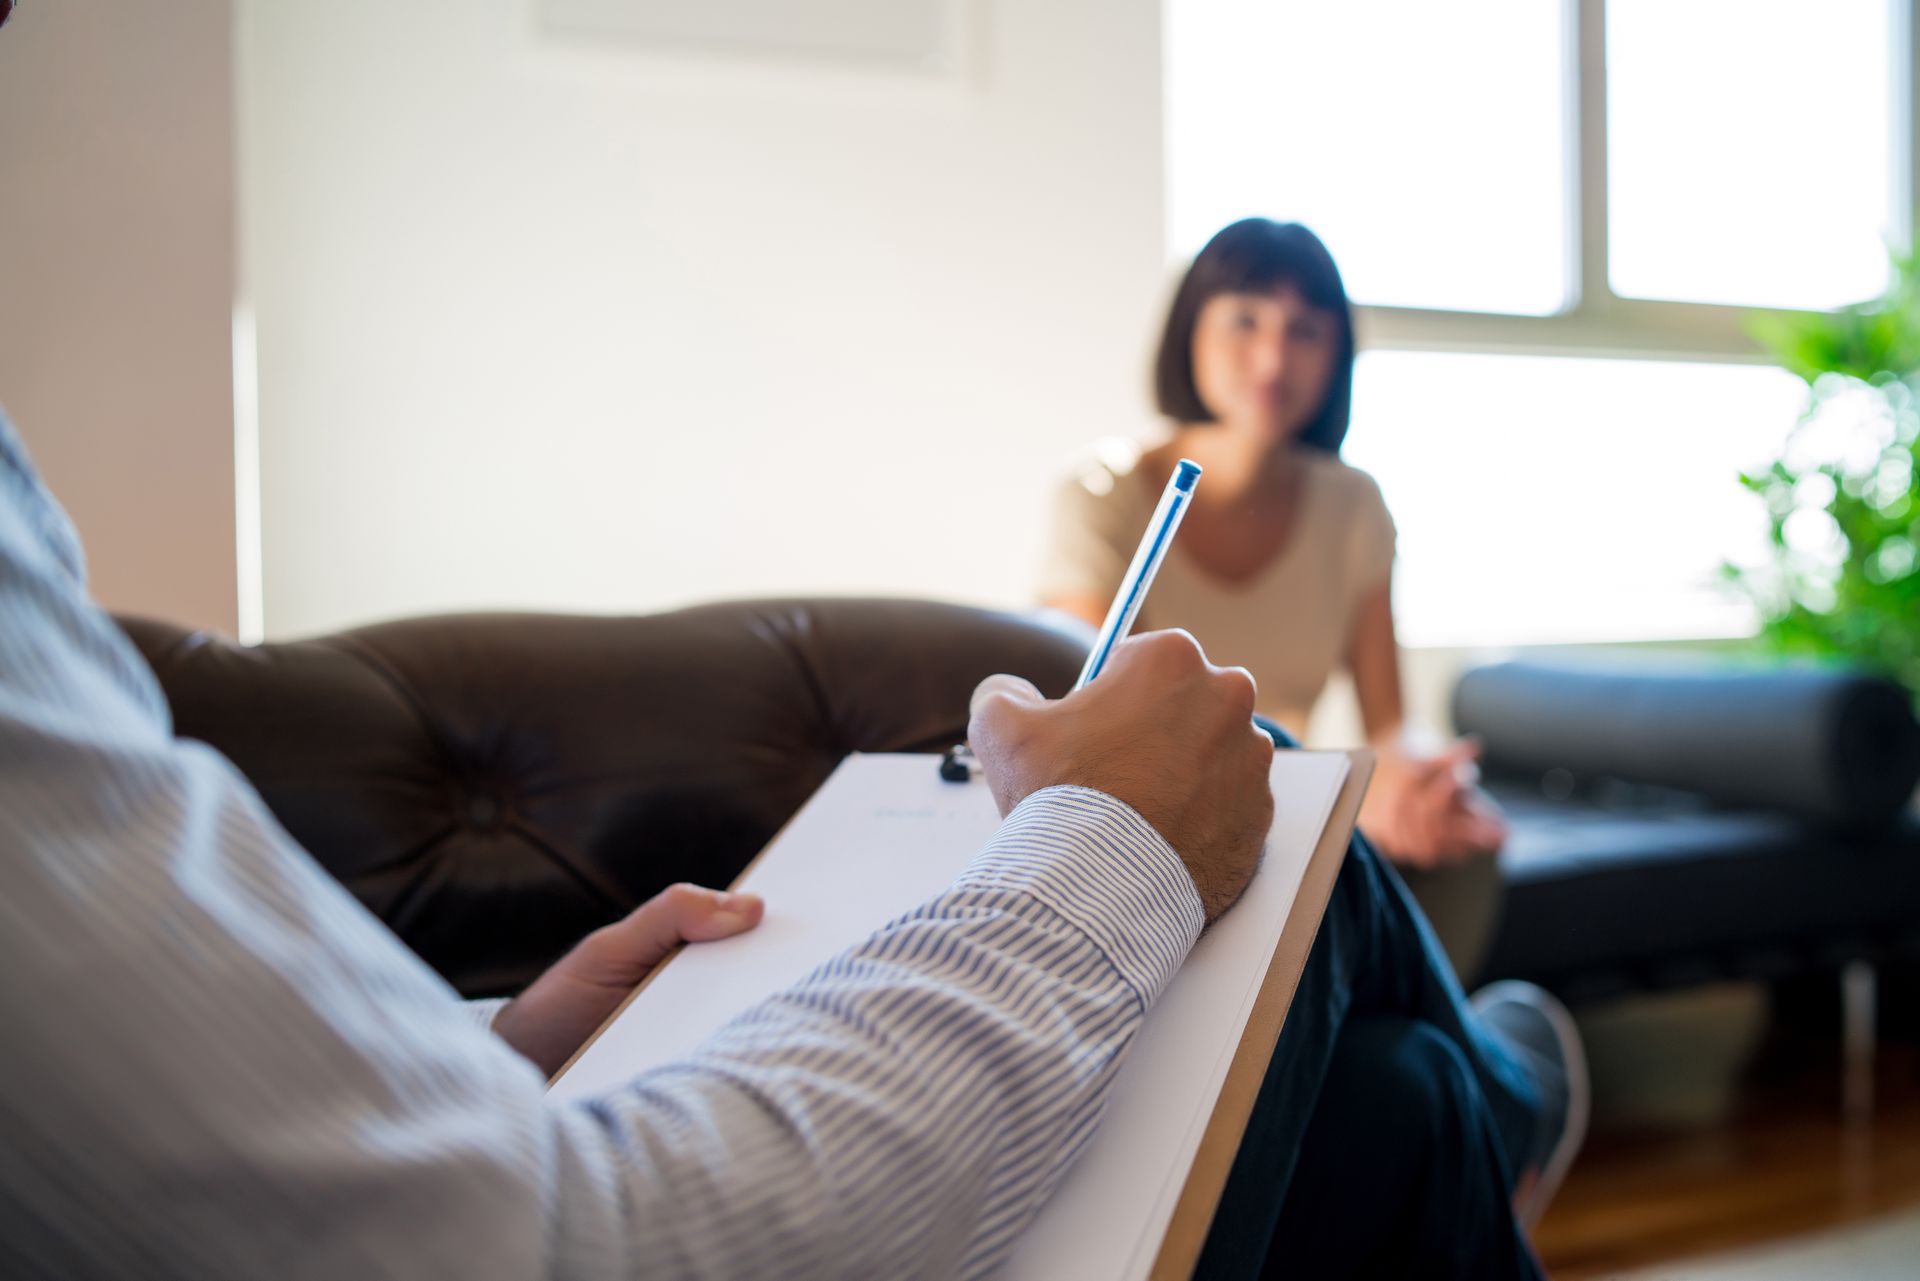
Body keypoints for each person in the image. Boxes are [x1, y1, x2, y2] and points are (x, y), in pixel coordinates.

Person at [1041, 217, 1509, 979]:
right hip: (1158, 820)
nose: (1272, 356)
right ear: (1191, 330)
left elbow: (1388, 720)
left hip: (1291, 811)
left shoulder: (1355, 505)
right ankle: (1498, 1079)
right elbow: (1096, 721)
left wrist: (1414, 774)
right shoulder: (1105, 493)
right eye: (1246, 319)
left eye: (1307, 330)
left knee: (1457, 833)